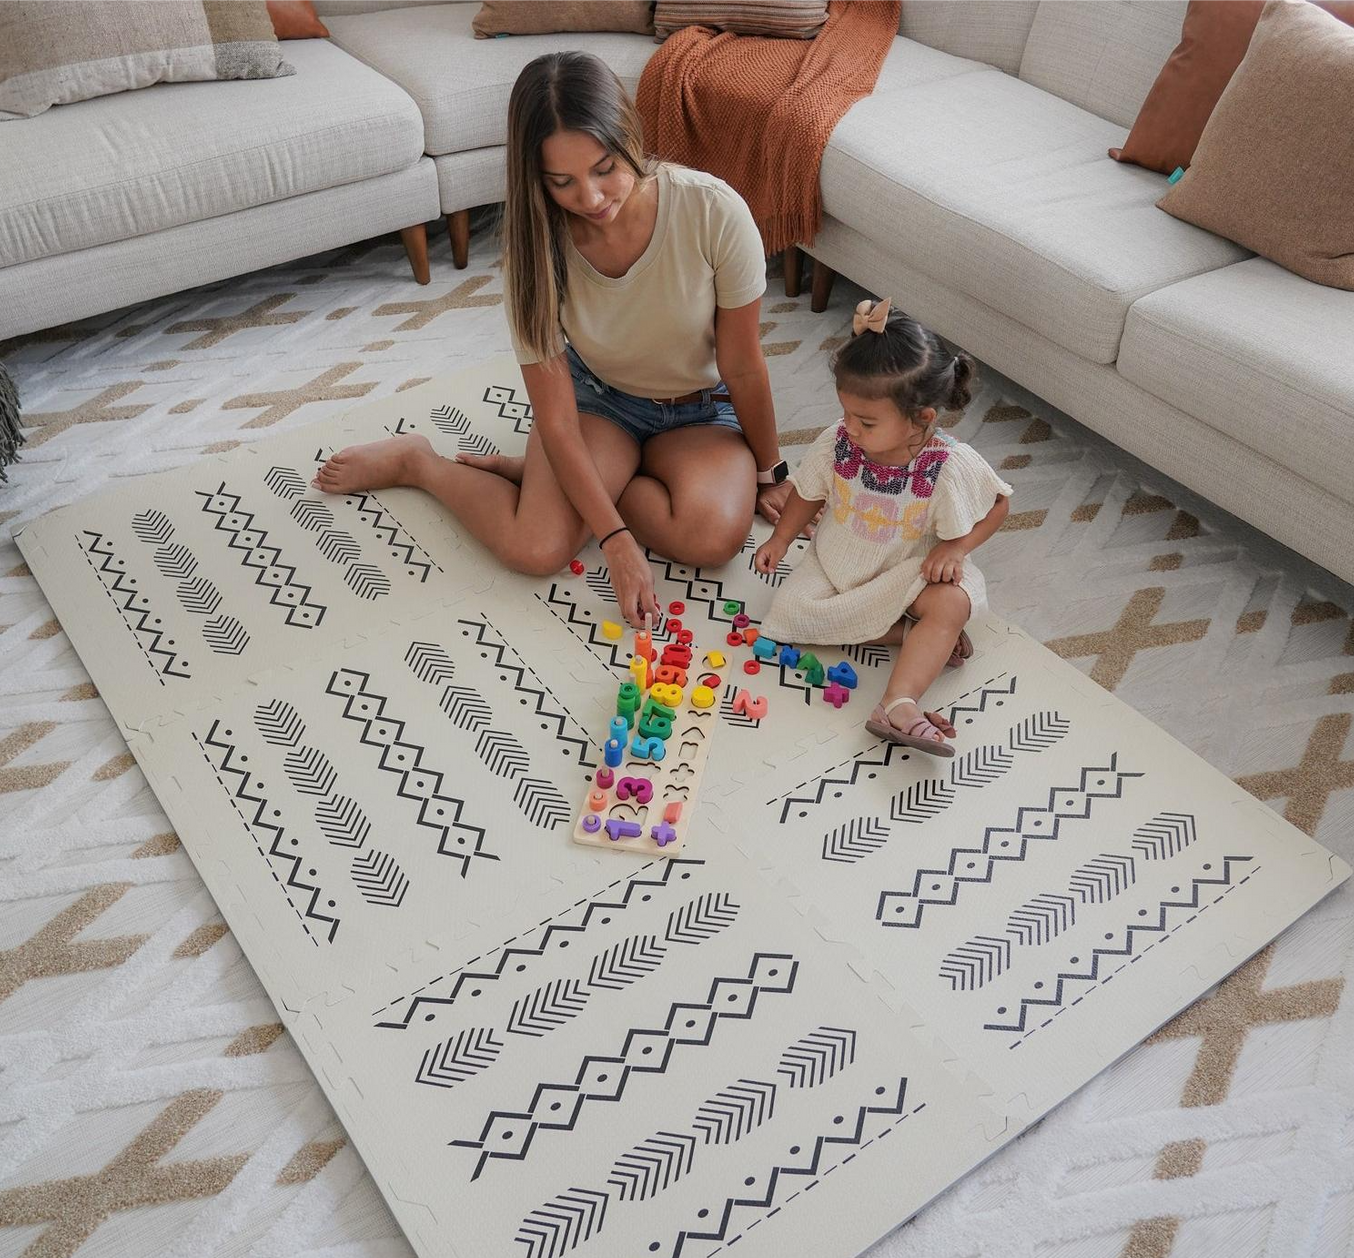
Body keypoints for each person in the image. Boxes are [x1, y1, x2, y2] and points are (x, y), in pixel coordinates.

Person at [312, 51, 794, 629]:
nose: (590, 198)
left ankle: (544, 474)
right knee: (536, 548)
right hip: (600, 403)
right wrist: (614, 539)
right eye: (561, 182)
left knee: (713, 538)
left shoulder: (713, 211)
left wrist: (771, 471)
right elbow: (559, 418)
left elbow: (742, 365)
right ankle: (420, 463)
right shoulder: (534, 250)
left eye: (604, 168)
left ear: (629, 136)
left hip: (698, 410)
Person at [752, 299, 1012, 757]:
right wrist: (779, 538)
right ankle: (915, 635)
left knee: (953, 601)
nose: (848, 426)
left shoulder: (948, 464)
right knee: (785, 617)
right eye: (846, 412)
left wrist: (956, 547)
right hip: (837, 565)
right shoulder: (839, 441)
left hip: (909, 573)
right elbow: (810, 491)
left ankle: (899, 702)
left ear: (922, 418)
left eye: (865, 421)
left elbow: (999, 504)